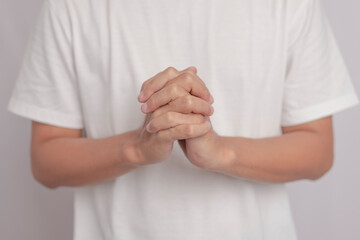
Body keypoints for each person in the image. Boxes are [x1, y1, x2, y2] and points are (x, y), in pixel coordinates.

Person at [7, 0, 359, 239]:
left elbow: (317, 149)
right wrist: (136, 148)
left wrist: (222, 152)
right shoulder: (73, 6)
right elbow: (46, 160)